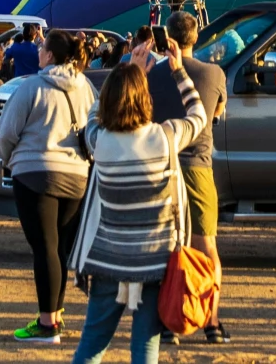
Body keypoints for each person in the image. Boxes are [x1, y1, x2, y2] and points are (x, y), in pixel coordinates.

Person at [68, 47, 208, 363]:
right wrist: (177, 71)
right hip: (154, 262)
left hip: (108, 259)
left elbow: (93, 113)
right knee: (145, 348)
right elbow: (198, 115)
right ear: (145, 99)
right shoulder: (166, 136)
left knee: (91, 347)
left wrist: (124, 73)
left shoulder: (99, 141)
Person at [0, 27, 97, 343]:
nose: (38, 51)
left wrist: (10, 159)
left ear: (50, 55)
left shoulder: (32, 87)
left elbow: (7, 133)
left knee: (44, 248)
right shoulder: (87, 87)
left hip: (35, 172)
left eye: (42, 48)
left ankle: (46, 324)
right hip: (76, 176)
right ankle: (56, 313)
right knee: (59, 249)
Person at [149, 11, 228, 342]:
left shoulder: (152, 74)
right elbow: (218, 113)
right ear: (196, 38)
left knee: (166, 246)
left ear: (166, 37)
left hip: (161, 165)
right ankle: (211, 322)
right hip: (197, 166)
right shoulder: (214, 73)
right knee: (206, 244)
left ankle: (168, 322)